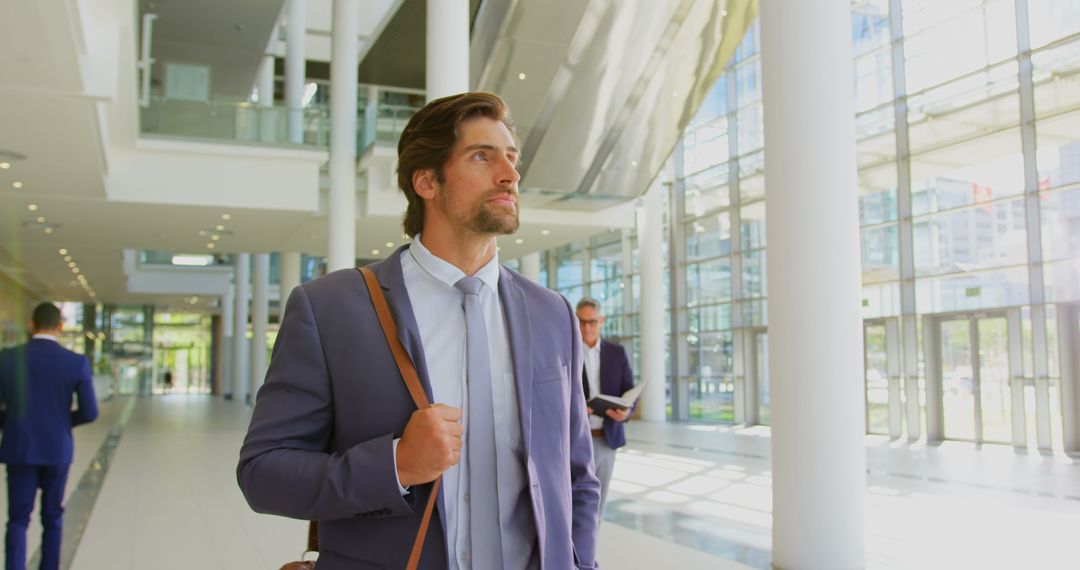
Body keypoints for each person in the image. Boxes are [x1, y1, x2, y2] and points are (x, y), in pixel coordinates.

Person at [238, 92, 600, 569]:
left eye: (511, 157)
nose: (510, 174)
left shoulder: (552, 313)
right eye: (481, 156)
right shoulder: (329, 309)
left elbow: (576, 476)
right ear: (427, 181)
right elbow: (263, 473)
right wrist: (396, 465)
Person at [0, 302, 99, 570]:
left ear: (31, 325)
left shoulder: (7, 359)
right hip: (57, 449)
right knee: (53, 516)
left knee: (18, 519)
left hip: (19, 448)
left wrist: (9, 425)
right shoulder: (76, 362)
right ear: (60, 327)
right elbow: (90, 412)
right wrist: (63, 422)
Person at [575, 297, 635, 517]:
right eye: (581, 322)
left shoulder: (616, 353)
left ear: (601, 321)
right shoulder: (566, 350)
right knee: (576, 503)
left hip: (607, 438)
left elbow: (629, 390)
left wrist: (627, 411)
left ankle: (591, 550)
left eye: (591, 322)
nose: (586, 328)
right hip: (576, 439)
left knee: (598, 506)